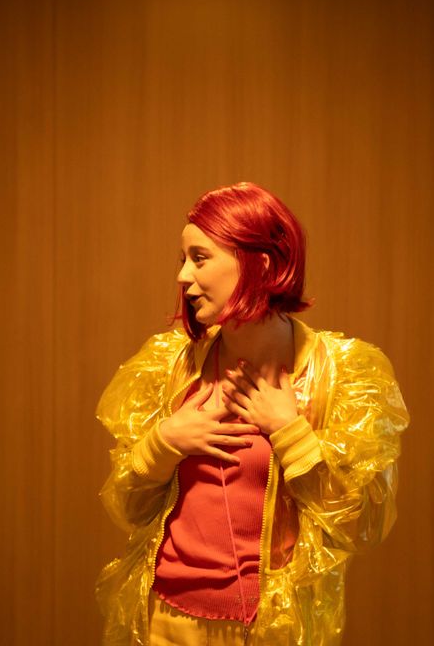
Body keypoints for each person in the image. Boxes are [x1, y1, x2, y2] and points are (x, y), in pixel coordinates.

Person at [95, 182, 410, 645]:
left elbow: (359, 525)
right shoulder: (170, 368)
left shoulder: (342, 374)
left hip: (269, 631)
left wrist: (289, 431)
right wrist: (166, 443)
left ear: (259, 264)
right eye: (182, 259)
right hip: (164, 622)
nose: (182, 276)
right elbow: (129, 508)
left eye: (200, 258)